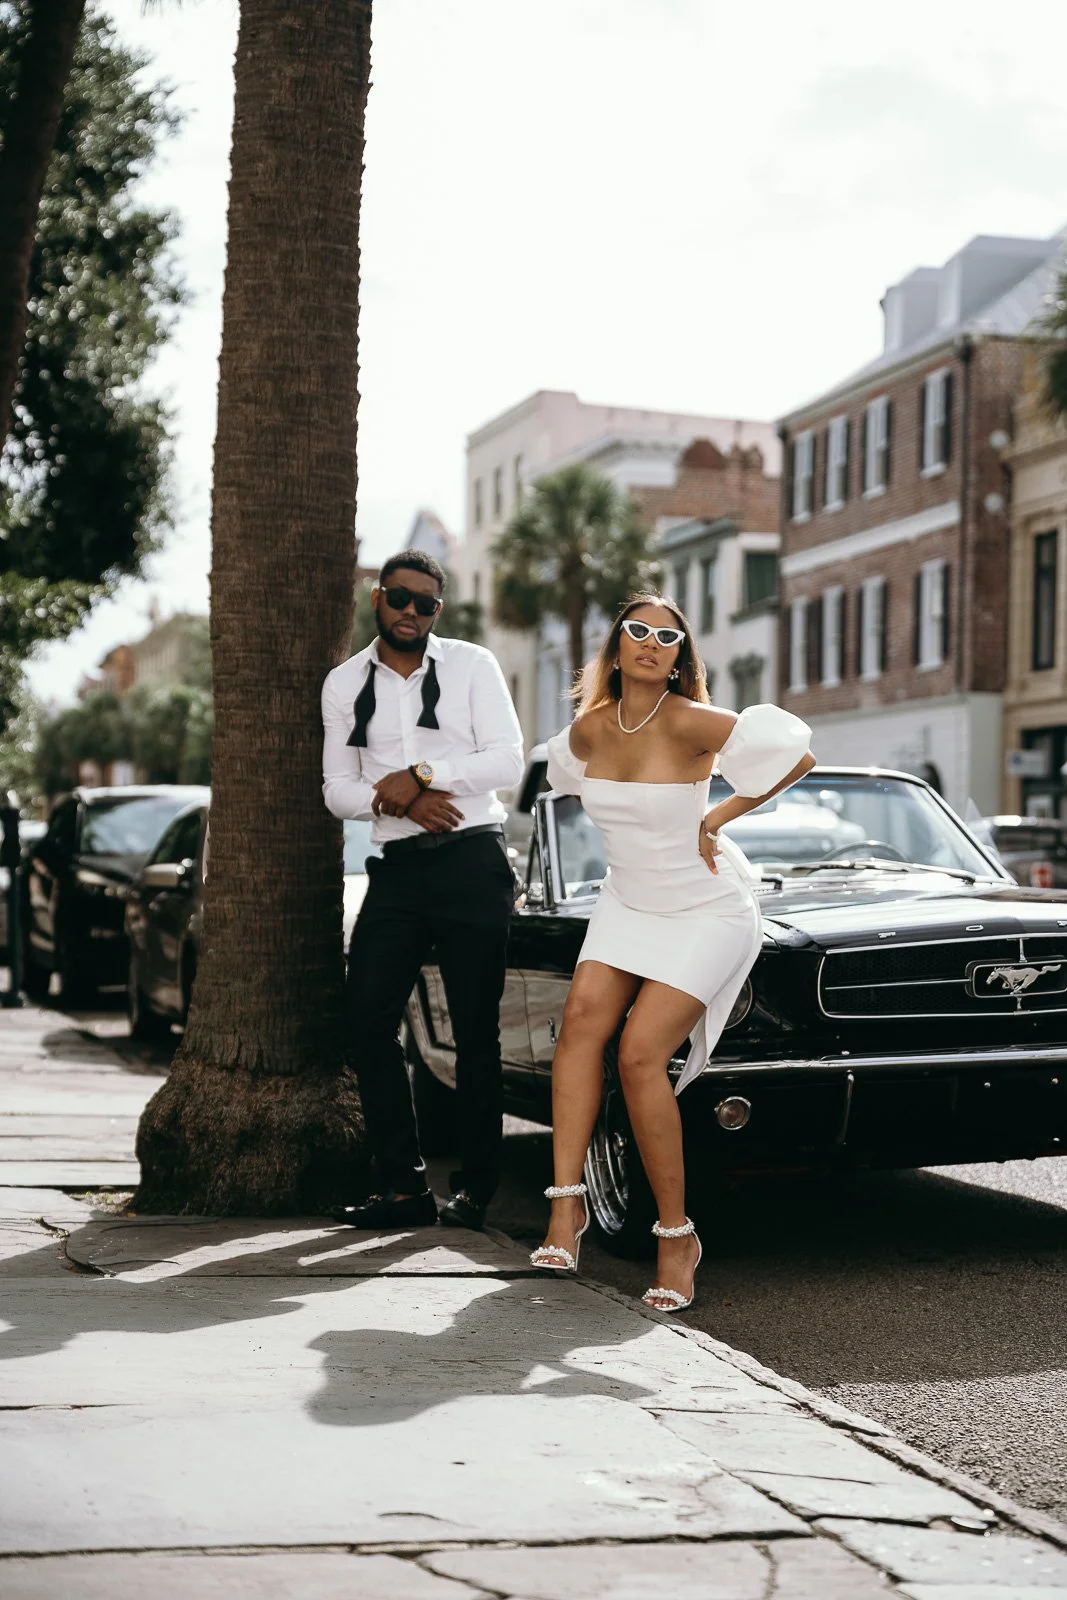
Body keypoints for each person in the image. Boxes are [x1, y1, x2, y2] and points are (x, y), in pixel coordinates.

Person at [529, 593, 814, 1311]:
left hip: (703, 906)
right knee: (579, 1027)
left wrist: (718, 813)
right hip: (626, 899)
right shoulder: (589, 730)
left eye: (668, 636)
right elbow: (555, 776)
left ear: (680, 655)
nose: (653, 644)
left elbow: (795, 752)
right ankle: (565, 1209)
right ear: (616, 645)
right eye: (638, 631)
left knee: (637, 1055)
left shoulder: (692, 721)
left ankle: (675, 1236)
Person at [322, 550, 524, 1231]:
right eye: (400, 599)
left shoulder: (472, 666)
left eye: (426, 604)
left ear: (439, 610)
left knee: (475, 1033)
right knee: (367, 1017)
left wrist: (421, 772)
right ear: (377, 599)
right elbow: (337, 789)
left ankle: (474, 1191)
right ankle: (403, 1189)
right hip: (400, 870)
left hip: (472, 863)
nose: (411, 612)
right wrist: (406, 804)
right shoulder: (344, 684)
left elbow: (505, 759)